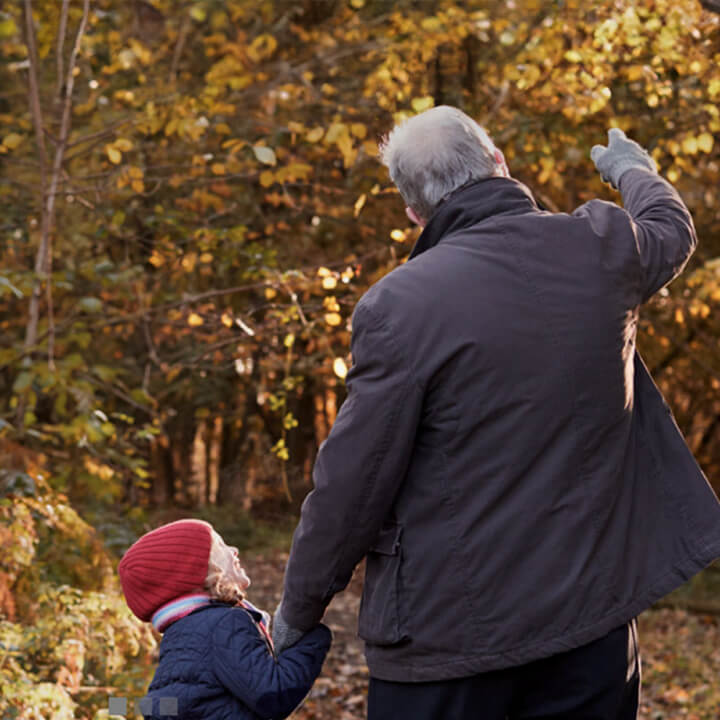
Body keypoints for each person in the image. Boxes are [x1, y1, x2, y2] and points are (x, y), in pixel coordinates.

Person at [271, 106, 720, 720]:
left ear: (413, 212)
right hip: (590, 633)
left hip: (448, 647)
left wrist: (297, 611)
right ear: (499, 164)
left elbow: (352, 484)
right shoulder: (600, 248)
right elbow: (671, 225)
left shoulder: (398, 307)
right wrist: (632, 169)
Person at [118, 518, 331, 719]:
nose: (234, 550)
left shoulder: (180, 634)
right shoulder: (224, 624)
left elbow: (170, 701)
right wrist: (313, 637)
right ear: (197, 571)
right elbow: (273, 695)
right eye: (220, 546)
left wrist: (117, 705)